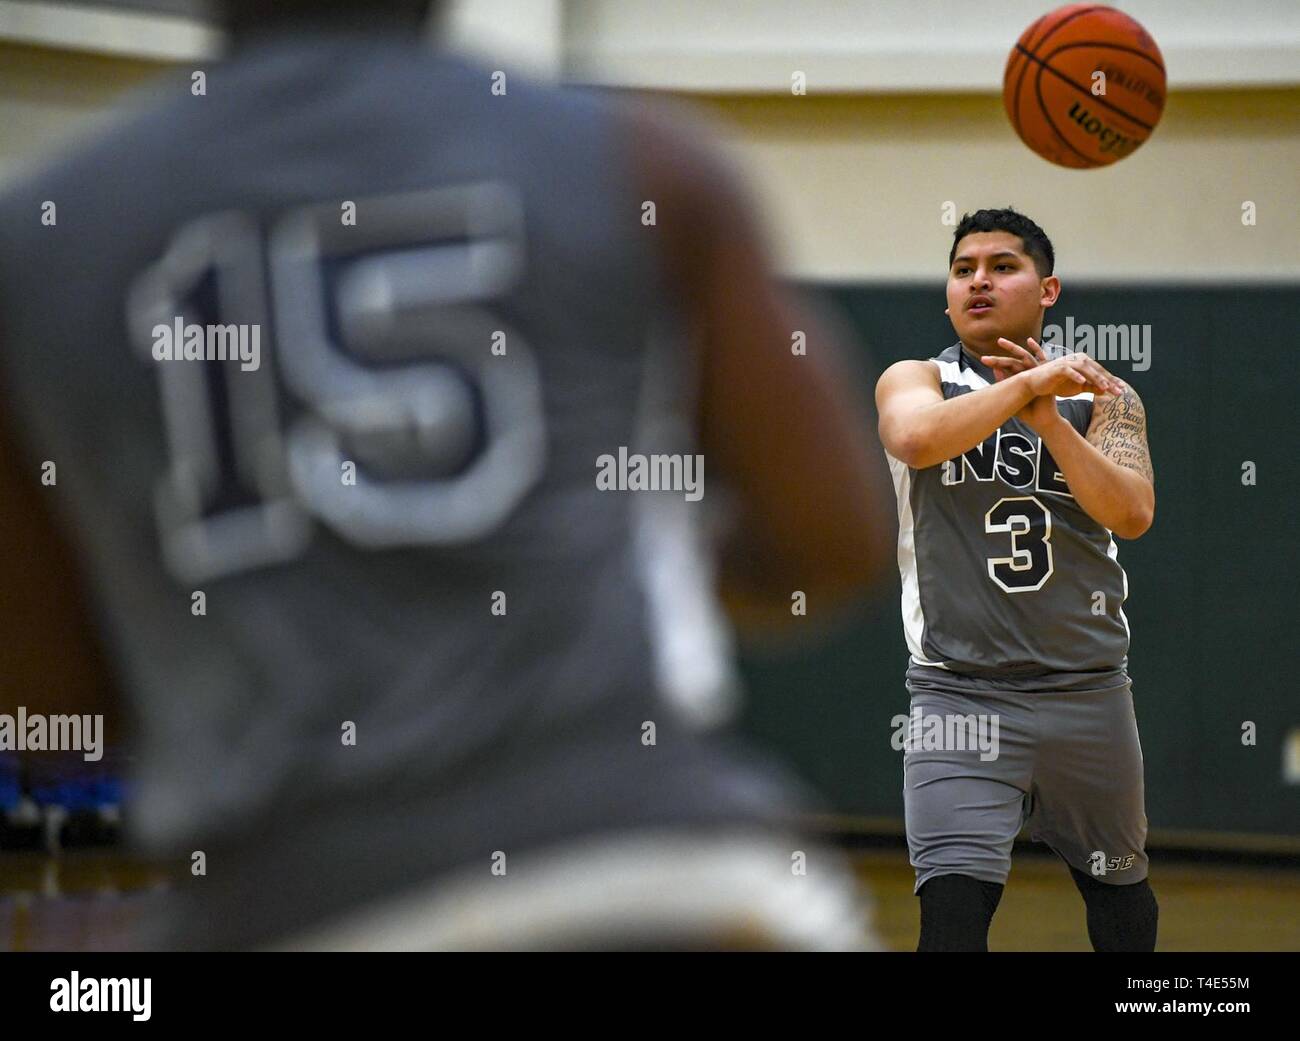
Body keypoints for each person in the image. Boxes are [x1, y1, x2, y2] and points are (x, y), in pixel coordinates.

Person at [0, 0, 893, 949]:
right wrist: (663, 565)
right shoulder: (641, 159)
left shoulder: (39, 244)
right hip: (653, 869)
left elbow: (49, 701)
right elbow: (830, 543)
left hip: (295, 903)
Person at [874, 208, 1158, 951]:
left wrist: (1051, 421)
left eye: (1002, 266)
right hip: (958, 694)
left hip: (1088, 691)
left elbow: (1130, 513)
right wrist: (1025, 386)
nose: (978, 281)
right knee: (953, 916)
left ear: (1048, 287)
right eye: (964, 268)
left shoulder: (1105, 396)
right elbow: (914, 437)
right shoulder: (916, 379)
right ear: (946, 294)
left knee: (1121, 899)